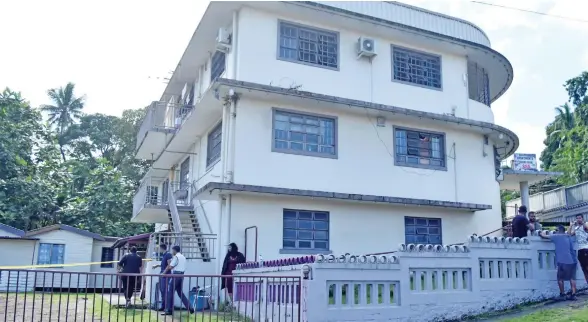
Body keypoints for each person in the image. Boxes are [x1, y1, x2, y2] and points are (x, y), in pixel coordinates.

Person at [539, 226, 577, 300]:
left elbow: (543, 236)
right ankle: (573, 294)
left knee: (560, 278)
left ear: (559, 230)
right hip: (571, 260)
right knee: (572, 278)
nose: (555, 231)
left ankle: (562, 295)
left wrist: (541, 232)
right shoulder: (568, 236)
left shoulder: (556, 236)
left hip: (562, 261)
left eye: (556, 230)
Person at [162, 245, 193, 315]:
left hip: (175, 275)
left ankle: (169, 310)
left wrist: (164, 272)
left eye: (172, 250)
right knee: (180, 292)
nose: (172, 252)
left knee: (170, 292)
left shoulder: (176, 257)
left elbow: (170, 266)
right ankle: (190, 307)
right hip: (182, 275)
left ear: (175, 250)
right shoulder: (183, 257)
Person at [152, 244, 174, 311]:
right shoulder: (164, 255)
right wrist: (157, 265)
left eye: (158, 248)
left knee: (165, 291)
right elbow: (164, 264)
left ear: (161, 248)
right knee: (162, 291)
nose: (158, 250)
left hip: (166, 276)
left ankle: (167, 307)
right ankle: (163, 306)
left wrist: (164, 273)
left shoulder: (168, 254)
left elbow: (169, 265)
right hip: (163, 275)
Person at [568, 214, 588, 283]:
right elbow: (569, 234)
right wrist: (571, 225)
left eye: (580, 218)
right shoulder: (576, 228)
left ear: (582, 218)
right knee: (583, 269)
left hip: (586, 248)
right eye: (577, 218)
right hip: (580, 250)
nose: (578, 219)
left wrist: (582, 223)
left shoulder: (585, 225)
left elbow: (586, 227)